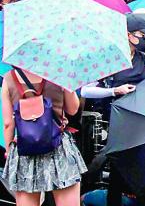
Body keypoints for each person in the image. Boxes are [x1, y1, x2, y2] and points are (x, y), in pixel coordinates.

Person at [81, 15, 145, 206]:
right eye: (140, 34)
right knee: (117, 168)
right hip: (116, 121)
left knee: (140, 167)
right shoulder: (108, 58)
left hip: (141, 121)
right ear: (128, 35)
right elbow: (86, 90)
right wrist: (114, 91)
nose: (144, 37)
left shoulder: (144, 59)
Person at [2, 67, 85, 205]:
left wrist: (9, 151)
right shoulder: (59, 72)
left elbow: (7, 123)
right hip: (59, 146)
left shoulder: (9, 78)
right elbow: (72, 109)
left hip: (24, 149)